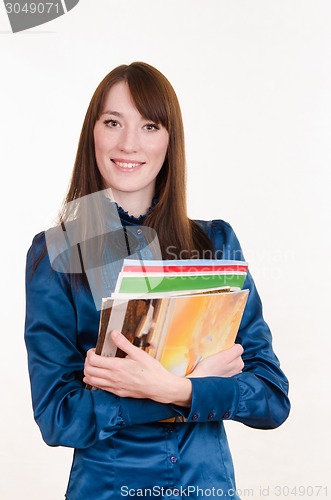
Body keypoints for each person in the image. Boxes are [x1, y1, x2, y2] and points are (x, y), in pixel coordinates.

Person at [25, 62, 290, 500]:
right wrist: (185, 392)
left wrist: (173, 388)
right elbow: (58, 417)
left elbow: (271, 396)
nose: (129, 143)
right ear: (93, 132)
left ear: (170, 141)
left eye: (150, 126)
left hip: (206, 490)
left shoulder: (215, 243)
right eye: (113, 123)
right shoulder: (55, 254)